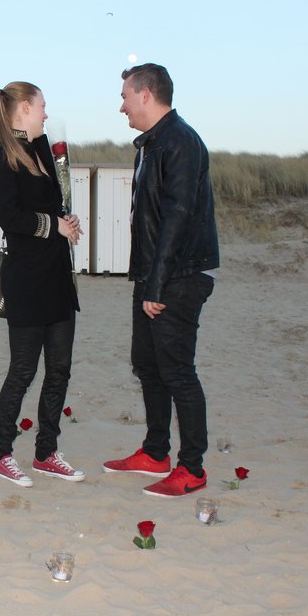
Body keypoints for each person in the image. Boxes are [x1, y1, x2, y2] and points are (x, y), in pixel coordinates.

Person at [103, 63, 220, 498]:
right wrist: (146, 279)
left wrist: (157, 285)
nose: (122, 107)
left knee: (177, 371)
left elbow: (178, 216)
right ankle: (155, 453)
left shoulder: (180, 141)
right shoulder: (151, 144)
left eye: (125, 97)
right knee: (146, 364)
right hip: (154, 274)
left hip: (179, 275)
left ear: (146, 95)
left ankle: (192, 468)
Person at [0, 81, 85, 487]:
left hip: (58, 276)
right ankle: (0, 454)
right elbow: (11, 218)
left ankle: (46, 453)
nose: (46, 113)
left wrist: (67, 221)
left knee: (60, 369)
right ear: (24, 107)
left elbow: (53, 205)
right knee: (23, 370)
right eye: (42, 105)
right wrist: (53, 226)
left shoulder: (44, 149)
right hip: (26, 279)